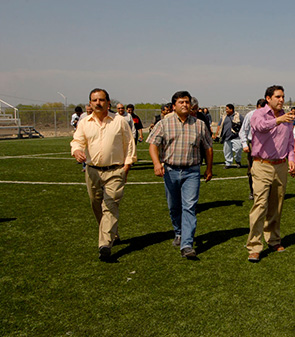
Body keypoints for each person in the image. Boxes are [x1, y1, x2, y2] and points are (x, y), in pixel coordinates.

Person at [71, 88, 136, 260]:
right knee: (96, 204)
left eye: (101, 100)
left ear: (108, 102)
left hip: (115, 170)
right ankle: (111, 233)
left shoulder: (119, 121)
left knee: (110, 205)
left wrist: (127, 165)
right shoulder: (84, 122)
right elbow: (77, 140)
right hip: (92, 171)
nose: (98, 103)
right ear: (90, 103)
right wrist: (76, 150)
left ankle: (105, 245)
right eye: (94, 100)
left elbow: (129, 143)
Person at [147, 91, 213, 258]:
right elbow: (153, 145)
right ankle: (178, 231)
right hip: (170, 171)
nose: (185, 105)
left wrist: (209, 168)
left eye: (187, 102)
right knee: (174, 206)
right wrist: (156, 163)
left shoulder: (199, 124)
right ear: (174, 105)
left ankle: (187, 244)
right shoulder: (164, 123)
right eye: (181, 102)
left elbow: (208, 148)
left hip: (192, 171)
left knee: (189, 206)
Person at [246, 85, 295, 262]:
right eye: (277, 97)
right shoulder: (258, 114)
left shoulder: (287, 119)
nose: (281, 100)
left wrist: (291, 159)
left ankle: (273, 239)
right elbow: (260, 127)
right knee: (260, 204)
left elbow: (290, 142)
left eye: (283, 96)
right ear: (268, 98)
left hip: (280, 166)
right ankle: (254, 245)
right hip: (262, 165)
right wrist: (278, 120)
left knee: (277, 205)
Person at [239, 98, 267, 200]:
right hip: (253, 144)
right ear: (256, 107)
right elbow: (243, 131)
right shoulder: (250, 115)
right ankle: (252, 191)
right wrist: (244, 144)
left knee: (266, 169)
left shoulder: (269, 115)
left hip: (266, 145)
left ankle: (265, 192)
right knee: (252, 170)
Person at [215, 104, 242, 168]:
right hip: (226, 137)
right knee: (227, 151)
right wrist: (217, 135)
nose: (226, 110)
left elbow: (243, 124)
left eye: (227, 109)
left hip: (236, 136)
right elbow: (220, 125)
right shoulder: (224, 117)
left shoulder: (238, 115)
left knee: (238, 148)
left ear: (231, 109)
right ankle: (228, 163)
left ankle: (237, 160)